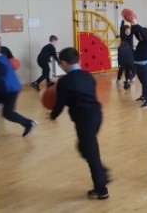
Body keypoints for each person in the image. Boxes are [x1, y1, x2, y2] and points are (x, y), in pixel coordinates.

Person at [49, 47, 110, 200]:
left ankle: (102, 190)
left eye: (61, 64)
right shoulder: (87, 75)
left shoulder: (64, 81)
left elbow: (60, 104)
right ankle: (102, 173)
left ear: (64, 63)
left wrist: (53, 115)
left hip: (85, 120)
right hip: (97, 115)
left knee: (92, 154)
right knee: (84, 148)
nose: (61, 66)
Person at [0, 40, 37, 137]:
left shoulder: (0, 62)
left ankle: (29, 123)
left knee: (7, 113)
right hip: (2, 89)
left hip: (11, 90)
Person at [131, 17, 147, 109]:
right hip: (139, 64)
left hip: (146, 65)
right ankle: (144, 96)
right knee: (143, 82)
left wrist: (136, 23)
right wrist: (132, 24)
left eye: (141, 35)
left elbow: (142, 33)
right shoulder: (142, 40)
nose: (140, 36)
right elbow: (136, 33)